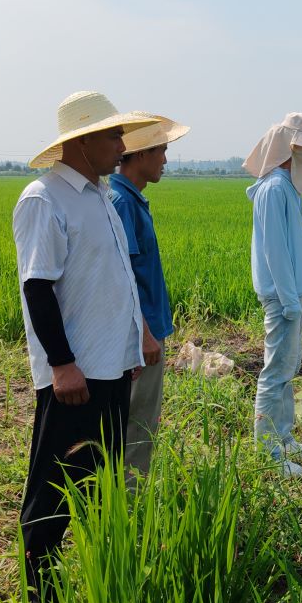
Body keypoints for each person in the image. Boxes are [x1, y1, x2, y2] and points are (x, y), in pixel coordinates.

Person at [13, 91, 157, 603]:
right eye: (114, 135)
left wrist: (135, 340)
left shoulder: (99, 197)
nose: (122, 145)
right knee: (51, 497)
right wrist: (62, 364)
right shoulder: (44, 198)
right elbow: (38, 288)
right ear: (82, 141)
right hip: (76, 379)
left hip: (112, 369)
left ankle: (98, 591)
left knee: (100, 489)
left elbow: (117, 279)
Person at [244, 112, 302, 478]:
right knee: (274, 373)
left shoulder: (287, 188)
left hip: (292, 297)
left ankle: (284, 438)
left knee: (286, 370)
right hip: (282, 300)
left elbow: (293, 247)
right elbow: (275, 252)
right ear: (290, 149)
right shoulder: (273, 189)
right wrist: (287, 299)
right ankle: (268, 452)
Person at [108, 115, 191, 486]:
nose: (166, 160)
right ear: (140, 154)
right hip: (139, 338)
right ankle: (130, 502)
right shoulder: (121, 203)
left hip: (145, 333)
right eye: (162, 151)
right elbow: (120, 277)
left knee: (140, 422)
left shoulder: (129, 199)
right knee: (137, 424)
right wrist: (143, 335)